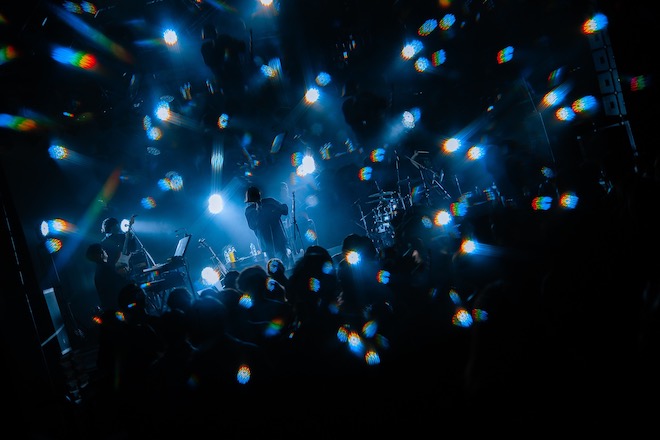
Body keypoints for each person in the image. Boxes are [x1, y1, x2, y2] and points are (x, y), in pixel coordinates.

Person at [244, 185, 290, 265]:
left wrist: (275, 210)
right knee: (274, 264)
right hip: (267, 243)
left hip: (278, 239)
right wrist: (258, 212)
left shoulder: (269, 202)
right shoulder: (250, 211)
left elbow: (284, 210)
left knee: (282, 261)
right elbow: (252, 225)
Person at [85, 242, 133, 313]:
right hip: (119, 305)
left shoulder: (100, 270)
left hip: (113, 308)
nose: (105, 251)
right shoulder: (105, 268)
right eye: (103, 250)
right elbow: (119, 283)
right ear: (100, 254)